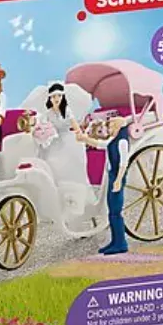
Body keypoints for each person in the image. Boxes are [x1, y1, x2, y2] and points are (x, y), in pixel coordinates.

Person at [33, 83, 93, 214]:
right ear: (50, 98)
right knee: (51, 162)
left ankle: (74, 196)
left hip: (67, 139)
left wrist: (80, 134)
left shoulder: (67, 110)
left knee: (73, 162)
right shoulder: (47, 113)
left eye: (59, 96)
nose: (56, 99)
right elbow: (42, 125)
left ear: (62, 97)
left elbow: (74, 124)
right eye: (54, 96)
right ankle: (53, 197)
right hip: (53, 140)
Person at [77, 116, 130, 255]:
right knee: (111, 211)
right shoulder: (113, 139)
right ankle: (115, 241)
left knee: (115, 211)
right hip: (112, 175)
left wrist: (118, 180)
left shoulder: (122, 141)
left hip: (116, 176)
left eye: (111, 126)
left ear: (118, 127)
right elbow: (101, 144)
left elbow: (124, 163)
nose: (109, 129)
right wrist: (84, 139)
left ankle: (121, 243)